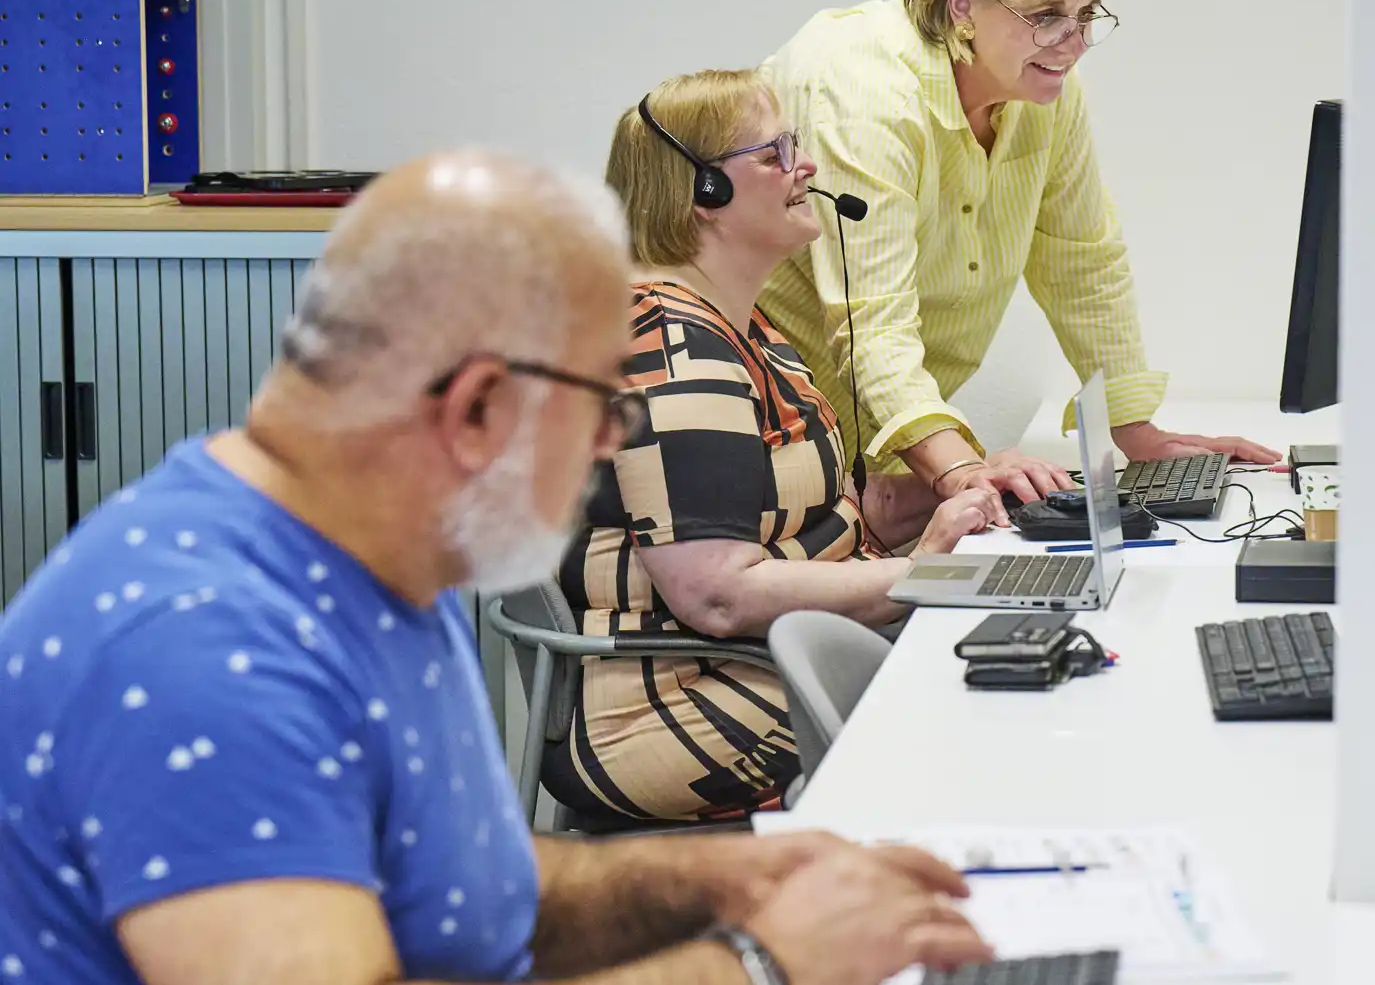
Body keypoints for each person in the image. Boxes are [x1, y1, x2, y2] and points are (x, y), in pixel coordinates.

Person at [0, 151, 992, 985]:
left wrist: (721, 883)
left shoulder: (380, 558)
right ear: (476, 408)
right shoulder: (203, 651)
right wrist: (760, 962)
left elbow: (461, 886)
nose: (607, 445)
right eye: (603, 408)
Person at [759, 0, 1282, 525]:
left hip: (880, 452)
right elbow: (871, 324)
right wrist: (964, 471)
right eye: (1045, 15)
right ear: (962, 5)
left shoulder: (1041, 91)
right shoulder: (863, 94)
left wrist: (1136, 430)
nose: (1073, 43)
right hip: (768, 444)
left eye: (1087, 13)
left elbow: (1083, 261)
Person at [552, 70, 999, 826]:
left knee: (1001, 678)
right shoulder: (671, 348)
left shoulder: (740, 329)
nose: (806, 168)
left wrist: (974, 484)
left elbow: (825, 513)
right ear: (705, 193)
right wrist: (925, 572)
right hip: (673, 713)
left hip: (747, 667)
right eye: (776, 152)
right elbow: (719, 594)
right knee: (981, 712)